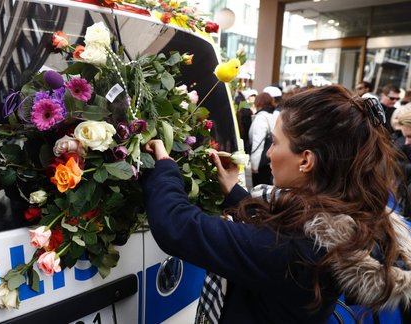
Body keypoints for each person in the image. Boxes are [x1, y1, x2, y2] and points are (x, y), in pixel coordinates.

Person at [142, 85, 411, 323]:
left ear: (306, 160)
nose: (269, 153)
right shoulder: (339, 220)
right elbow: (279, 229)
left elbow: (176, 225)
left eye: (275, 142)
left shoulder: (298, 254)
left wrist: (164, 167)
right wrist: (234, 192)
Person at [249, 92, 276, 186]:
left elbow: (258, 143)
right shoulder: (272, 116)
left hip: (261, 163)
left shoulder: (261, 118)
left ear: (258, 103)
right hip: (269, 162)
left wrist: (254, 166)